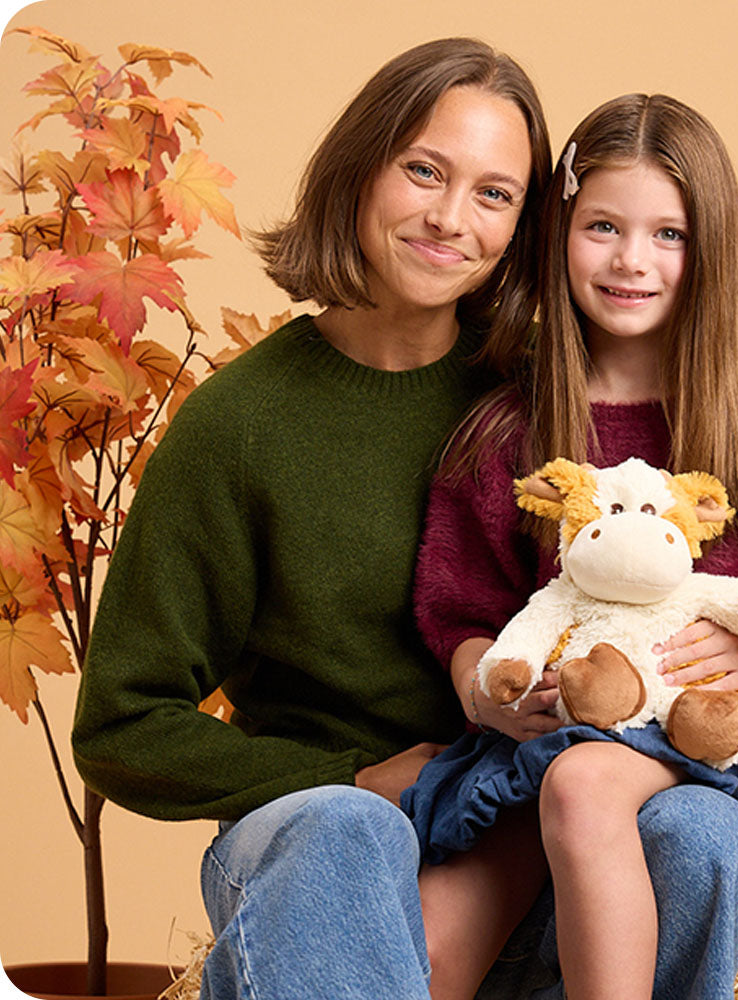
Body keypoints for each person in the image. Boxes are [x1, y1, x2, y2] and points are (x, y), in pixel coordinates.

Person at [71, 37, 552, 1000]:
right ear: (361, 169)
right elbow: (123, 723)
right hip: (311, 835)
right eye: (424, 170)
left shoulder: (545, 399)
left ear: (523, 226)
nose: (451, 218)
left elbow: (709, 553)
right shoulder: (242, 423)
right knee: (349, 830)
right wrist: (359, 778)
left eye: (494, 194)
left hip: (516, 835)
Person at [406, 94, 738, 1000]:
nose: (632, 260)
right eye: (604, 227)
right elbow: (459, 614)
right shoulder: (507, 431)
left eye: (669, 234)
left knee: (587, 786)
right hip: (536, 740)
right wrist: (490, 694)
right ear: (559, 233)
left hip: (695, 740)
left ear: (713, 252)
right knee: (432, 953)